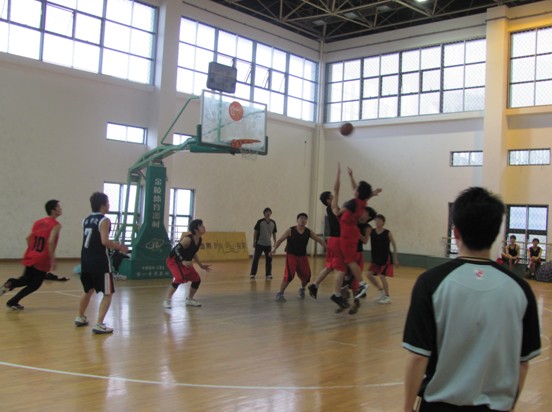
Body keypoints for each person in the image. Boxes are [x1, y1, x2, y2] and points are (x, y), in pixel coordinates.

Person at [403, 187, 541, 412]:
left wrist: (407, 408)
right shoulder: (521, 289)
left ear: (455, 232)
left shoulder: (430, 283)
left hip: (440, 406)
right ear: (496, 233)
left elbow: (418, 357)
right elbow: (522, 363)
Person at [75, 192, 129, 334]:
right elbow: (104, 241)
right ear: (103, 205)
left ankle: (80, 317)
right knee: (108, 293)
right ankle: (99, 324)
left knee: (88, 290)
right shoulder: (104, 220)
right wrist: (120, 247)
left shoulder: (86, 220)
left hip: (85, 260)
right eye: (108, 202)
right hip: (100, 262)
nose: (109, 205)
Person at [1, 200, 62, 310]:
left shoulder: (38, 222)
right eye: (58, 207)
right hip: (42, 258)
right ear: (53, 210)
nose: (60, 208)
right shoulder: (56, 225)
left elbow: (28, 238)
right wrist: (53, 260)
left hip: (31, 255)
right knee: (35, 284)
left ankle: (11, 284)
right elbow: (50, 242)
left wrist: (33, 250)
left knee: (25, 280)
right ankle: (12, 300)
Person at [330, 180, 380, 309]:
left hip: (347, 237)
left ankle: (360, 285)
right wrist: (371, 194)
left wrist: (336, 198)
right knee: (344, 268)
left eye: (357, 189)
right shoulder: (361, 204)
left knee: (347, 265)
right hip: (347, 237)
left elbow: (337, 211)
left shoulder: (353, 205)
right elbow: (363, 197)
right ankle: (343, 293)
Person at [308, 163, 355, 299]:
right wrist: (338, 174)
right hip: (337, 240)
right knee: (343, 267)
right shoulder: (333, 207)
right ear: (328, 200)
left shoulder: (333, 209)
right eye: (331, 196)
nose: (334, 197)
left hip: (333, 241)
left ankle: (315, 285)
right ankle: (338, 293)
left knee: (330, 267)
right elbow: (336, 189)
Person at [271, 213, 326, 302]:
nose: (303, 220)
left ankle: (302, 288)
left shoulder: (308, 232)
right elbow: (280, 240)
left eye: (305, 218)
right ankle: (280, 293)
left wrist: (329, 248)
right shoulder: (290, 230)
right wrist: (274, 250)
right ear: (297, 220)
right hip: (291, 255)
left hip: (302, 256)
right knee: (290, 275)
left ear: (306, 221)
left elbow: (319, 240)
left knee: (307, 276)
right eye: (301, 218)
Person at [164, 219, 212, 308]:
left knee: (197, 280)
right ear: (196, 229)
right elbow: (176, 250)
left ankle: (189, 299)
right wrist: (183, 261)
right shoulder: (187, 239)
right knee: (179, 278)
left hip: (186, 262)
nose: (204, 227)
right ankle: (167, 300)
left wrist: (201, 265)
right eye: (201, 225)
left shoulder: (199, 239)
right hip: (174, 260)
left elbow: (193, 253)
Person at [363, 214, 398, 304]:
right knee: (369, 275)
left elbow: (394, 245)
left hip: (386, 258)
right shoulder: (372, 232)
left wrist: (395, 258)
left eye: (379, 220)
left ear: (383, 222)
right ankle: (380, 290)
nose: (377, 222)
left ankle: (387, 296)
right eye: (376, 220)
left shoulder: (387, 233)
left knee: (382, 276)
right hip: (375, 258)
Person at [249, 208, 277, 280]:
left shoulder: (273, 222)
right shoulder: (260, 222)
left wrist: (275, 242)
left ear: (271, 213)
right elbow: (255, 233)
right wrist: (254, 242)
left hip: (268, 244)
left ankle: (268, 274)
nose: (268, 213)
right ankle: (252, 273)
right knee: (256, 259)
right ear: (264, 213)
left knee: (269, 259)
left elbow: (274, 233)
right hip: (259, 244)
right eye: (266, 212)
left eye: (269, 212)